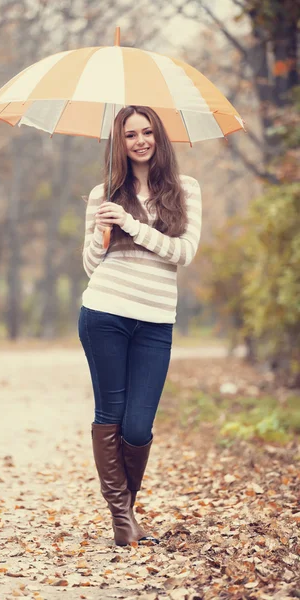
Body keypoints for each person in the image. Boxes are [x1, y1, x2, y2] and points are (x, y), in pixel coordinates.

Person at [78, 105, 202, 546]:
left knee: (137, 427)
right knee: (109, 414)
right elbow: (92, 265)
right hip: (104, 313)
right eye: (130, 134)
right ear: (121, 143)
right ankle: (122, 518)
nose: (140, 141)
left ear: (159, 137)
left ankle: (125, 508)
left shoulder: (185, 190)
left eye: (147, 132)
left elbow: (184, 253)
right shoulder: (104, 193)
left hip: (155, 322)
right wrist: (101, 232)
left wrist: (133, 224)